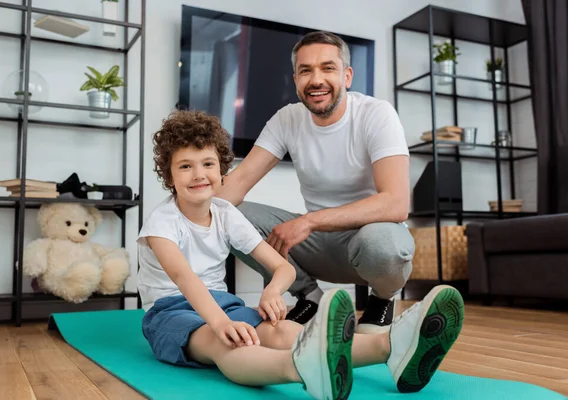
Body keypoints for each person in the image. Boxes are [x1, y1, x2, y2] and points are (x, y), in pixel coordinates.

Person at [136, 109, 465, 399]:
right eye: (185, 166)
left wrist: (273, 291)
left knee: (278, 330)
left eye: (207, 163)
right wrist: (221, 322)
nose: (198, 175)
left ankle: (389, 346)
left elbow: (283, 267)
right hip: (170, 311)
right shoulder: (162, 222)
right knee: (227, 343)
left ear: (222, 168)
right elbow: (184, 278)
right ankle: (301, 368)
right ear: (169, 176)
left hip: (224, 303)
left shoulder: (225, 213)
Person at [216, 30, 414, 334]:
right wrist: (180, 216)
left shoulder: (377, 114)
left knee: (384, 244)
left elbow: (397, 203)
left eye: (328, 68)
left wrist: (308, 221)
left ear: (347, 76)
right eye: (305, 70)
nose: (316, 79)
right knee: (225, 214)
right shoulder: (287, 119)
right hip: (318, 247)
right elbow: (238, 181)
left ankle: (382, 300)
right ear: (295, 80)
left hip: (369, 242)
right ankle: (310, 299)